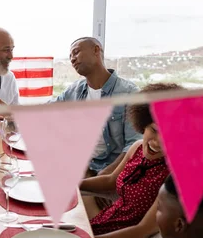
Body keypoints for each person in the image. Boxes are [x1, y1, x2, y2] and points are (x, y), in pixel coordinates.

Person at [81, 83, 183, 238]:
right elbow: (110, 181)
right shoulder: (136, 148)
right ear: (143, 123)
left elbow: (141, 231)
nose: (157, 141)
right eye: (154, 130)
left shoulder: (175, 176)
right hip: (101, 225)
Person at [55, 37, 141, 177]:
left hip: (111, 170)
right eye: (70, 56)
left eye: (76, 52)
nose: (72, 59)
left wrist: (106, 176)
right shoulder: (74, 90)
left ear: (96, 50)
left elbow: (134, 146)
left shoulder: (129, 93)